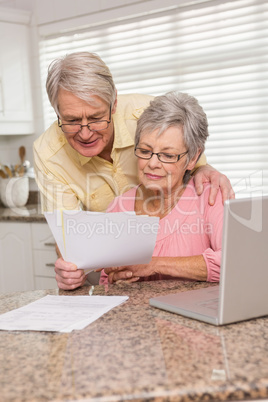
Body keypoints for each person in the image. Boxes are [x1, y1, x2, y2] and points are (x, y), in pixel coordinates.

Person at [33, 52, 234, 290]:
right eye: (72, 120)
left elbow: (237, 263)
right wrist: (76, 270)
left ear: (114, 103)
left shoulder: (146, 115)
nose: (85, 133)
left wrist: (205, 168)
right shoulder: (51, 155)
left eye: (97, 118)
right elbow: (74, 244)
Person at [101, 91, 224, 284]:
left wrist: (154, 264)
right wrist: (117, 280)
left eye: (167, 155)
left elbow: (232, 262)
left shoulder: (210, 197)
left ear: (192, 158)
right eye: (145, 151)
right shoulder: (118, 207)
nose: (152, 163)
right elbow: (106, 283)